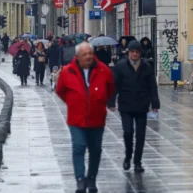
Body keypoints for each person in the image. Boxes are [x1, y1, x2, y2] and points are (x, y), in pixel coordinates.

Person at [56, 42, 115, 193]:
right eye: (85, 54)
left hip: (97, 118)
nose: (88, 57)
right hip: (76, 119)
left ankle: (92, 178)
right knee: (79, 146)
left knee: (95, 150)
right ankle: (80, 179)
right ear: (77, 57)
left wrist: (99, 101)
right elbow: (60, 90)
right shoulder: (67, 72)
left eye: (90, 53)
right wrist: (73, 102)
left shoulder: (103, 70)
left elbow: (110, 89)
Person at [108, 40, 160, 173]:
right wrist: (111, 102)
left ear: (140, 53)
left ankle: (137, 162)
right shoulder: (120, 66)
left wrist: (155, 103)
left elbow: (152, 86)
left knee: (141, 135)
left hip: (142, 105)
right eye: (132, 52)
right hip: (126, 105)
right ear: (128, 53)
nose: (135, 54)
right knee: (128, 132)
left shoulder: (147, 66)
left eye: (137, 52)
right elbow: (114, 85)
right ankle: (128, 156)